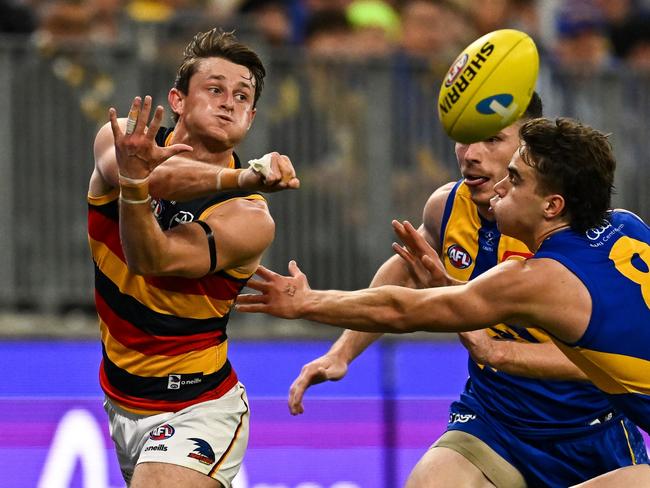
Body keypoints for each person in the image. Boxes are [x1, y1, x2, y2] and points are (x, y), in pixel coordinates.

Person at [237, 115, 650, 487]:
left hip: (592, 429)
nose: (499, 184)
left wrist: (307, 302)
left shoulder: (539, 278)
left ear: (552, 205)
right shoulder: (627, 226)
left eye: (516, 178)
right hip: (496, 420)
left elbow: (404, 309)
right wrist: (455, 292)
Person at [88, 29, 299, 488]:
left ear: (252, 116)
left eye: (242, 96)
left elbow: (152, 258)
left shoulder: (249, 216)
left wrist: (240, 184)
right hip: (120, 398)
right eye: (215, 89)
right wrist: (243, 176)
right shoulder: (122, 138)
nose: (229, 103)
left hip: (198, 407)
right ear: (177, 100)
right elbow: (157, 177)